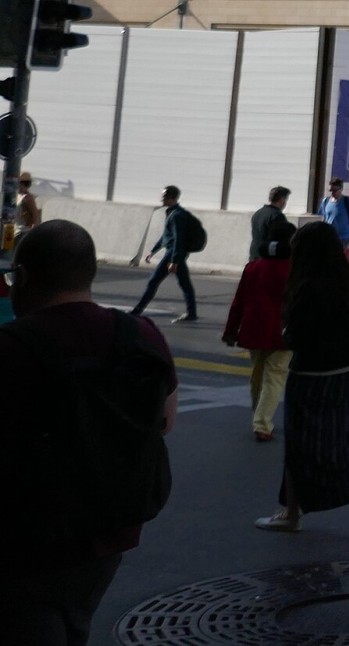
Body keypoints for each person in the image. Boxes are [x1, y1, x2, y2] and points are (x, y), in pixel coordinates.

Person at [0, 221, 178, 646]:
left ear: (22, 277)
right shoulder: (141, 335)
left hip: (26, 535)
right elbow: (166, 420)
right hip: (111, 528)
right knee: (71, 617)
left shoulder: (11, 347)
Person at [256, 221, 349, 541]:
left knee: (299, 446)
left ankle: (291, 513)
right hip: (344, 377)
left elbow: (296, 338)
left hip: (309, 378)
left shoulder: (307, 286)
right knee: (339, 442)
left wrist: (288, 332)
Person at [224, 217, 295, 441]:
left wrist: (230, 330)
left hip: (253, 328)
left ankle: (259, 415)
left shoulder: (253, 267)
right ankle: (262, 423)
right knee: (274, 376)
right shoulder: (294, 269)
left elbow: (239, 301)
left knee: (257, 374)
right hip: (283, 331)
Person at [130, 185, 199, 323]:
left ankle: (136, 312)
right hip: (174, 252)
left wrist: (174, 260)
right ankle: (192, 313)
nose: (161, 198)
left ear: (171, 198)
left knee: (153, 281)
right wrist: (153, 250)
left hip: (174, 253)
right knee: (185, 283)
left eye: (164, 196)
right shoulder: (172, 213)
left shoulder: (177, 215)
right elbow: (166, 236)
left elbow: (178, 238)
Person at [320, 177, 349, 263]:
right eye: (331, 190)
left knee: (336, 256)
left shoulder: (347, 201)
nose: (332, 193)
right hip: (330, 236)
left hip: (344, 236)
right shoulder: (325, 201)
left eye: (335, 190)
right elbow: (324, 218)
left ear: (341, 189)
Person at [249, 184, 290, 260]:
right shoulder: (277, 216)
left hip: (254, 255)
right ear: (282, 200)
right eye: (286, 199)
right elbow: (282, 238)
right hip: (267, 258)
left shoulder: (258, 213)